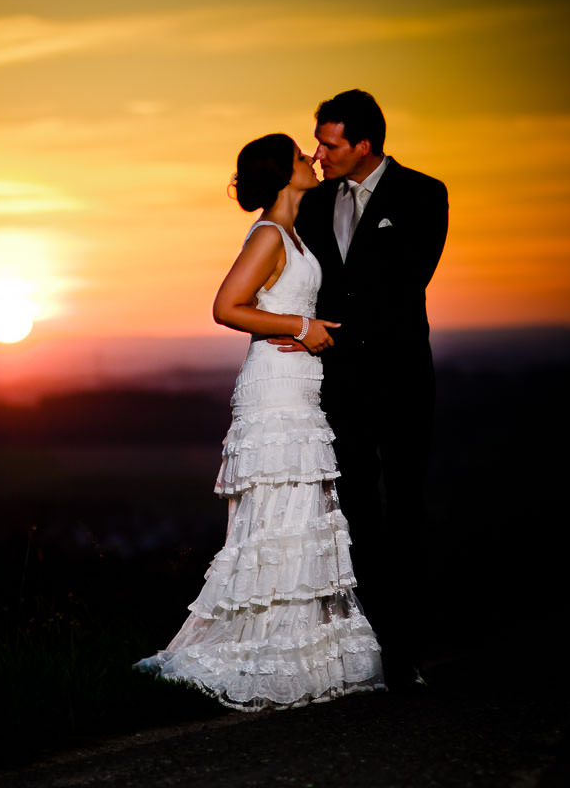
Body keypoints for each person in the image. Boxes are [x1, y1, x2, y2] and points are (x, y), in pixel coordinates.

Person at [134, 133, 384, 709]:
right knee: (275, 513)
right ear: (281, 173)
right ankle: (261, 647)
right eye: (302, 156)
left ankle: (294, 641)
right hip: (273, 390)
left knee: (298, 511)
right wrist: (300, 327)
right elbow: (226, 306)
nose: (313, 160)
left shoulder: (294, 233)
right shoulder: (270, 235)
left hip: (298, 387)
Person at [275, 89, 448, 688]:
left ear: (363, 145)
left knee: (404, 508)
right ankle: (366, 645)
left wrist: (326, 336)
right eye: (318, 142)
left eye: (329, 143)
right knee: (354, 514)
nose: (318, 153)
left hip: (400, 378)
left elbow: (405, 285)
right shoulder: (317, 202)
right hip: (339, 386)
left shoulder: (425, 194)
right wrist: (291, 326)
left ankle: (408, 648)